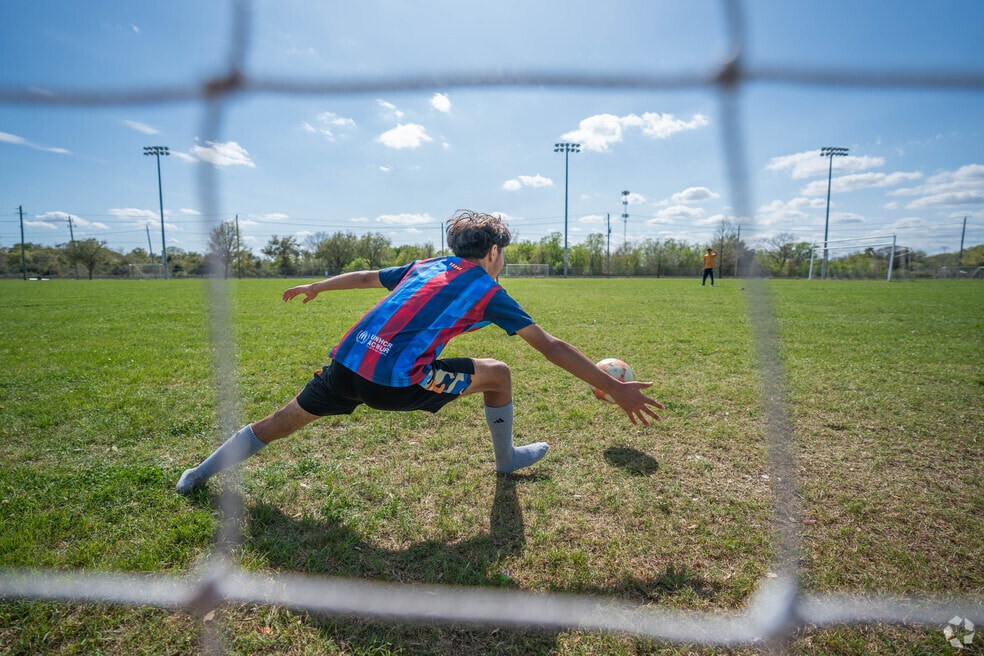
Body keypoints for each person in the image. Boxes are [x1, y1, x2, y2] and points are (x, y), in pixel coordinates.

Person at [177, 210, 664, 494]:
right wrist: (615, 389)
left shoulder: (427, 265)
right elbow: (551, 346)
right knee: (498, 373)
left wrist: (317, 286)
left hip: (347, 363)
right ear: (494, 253)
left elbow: (368, 277)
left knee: (276, 424)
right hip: (398, 381)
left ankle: (196, 475)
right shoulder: (488, 291)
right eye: (504, 253)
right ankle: (507, 459)